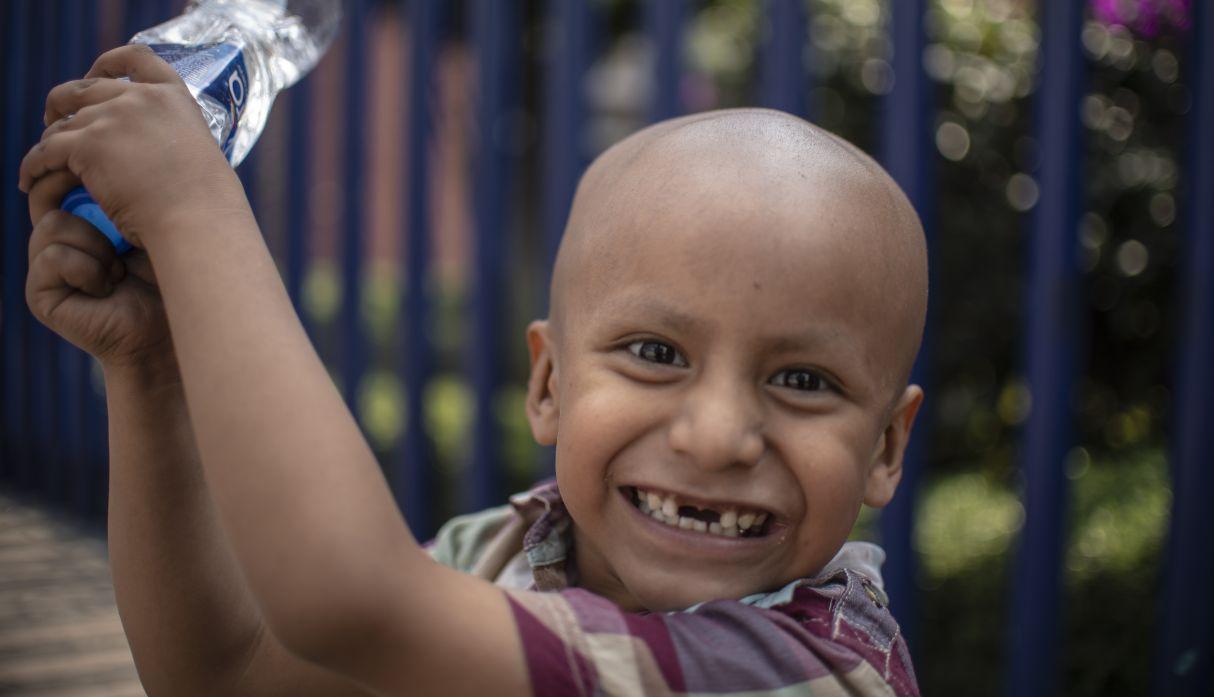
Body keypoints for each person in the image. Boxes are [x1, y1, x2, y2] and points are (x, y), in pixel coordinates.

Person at [19, 44, 926, 696]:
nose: (718, 435)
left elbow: (350, 600)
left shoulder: (806, 663)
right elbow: (226, 673)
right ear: (548, 386)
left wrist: (193, 212)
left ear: (887, 446)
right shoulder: (503, 552)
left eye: (803, 380)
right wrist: (152, 369)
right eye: (656, 354)